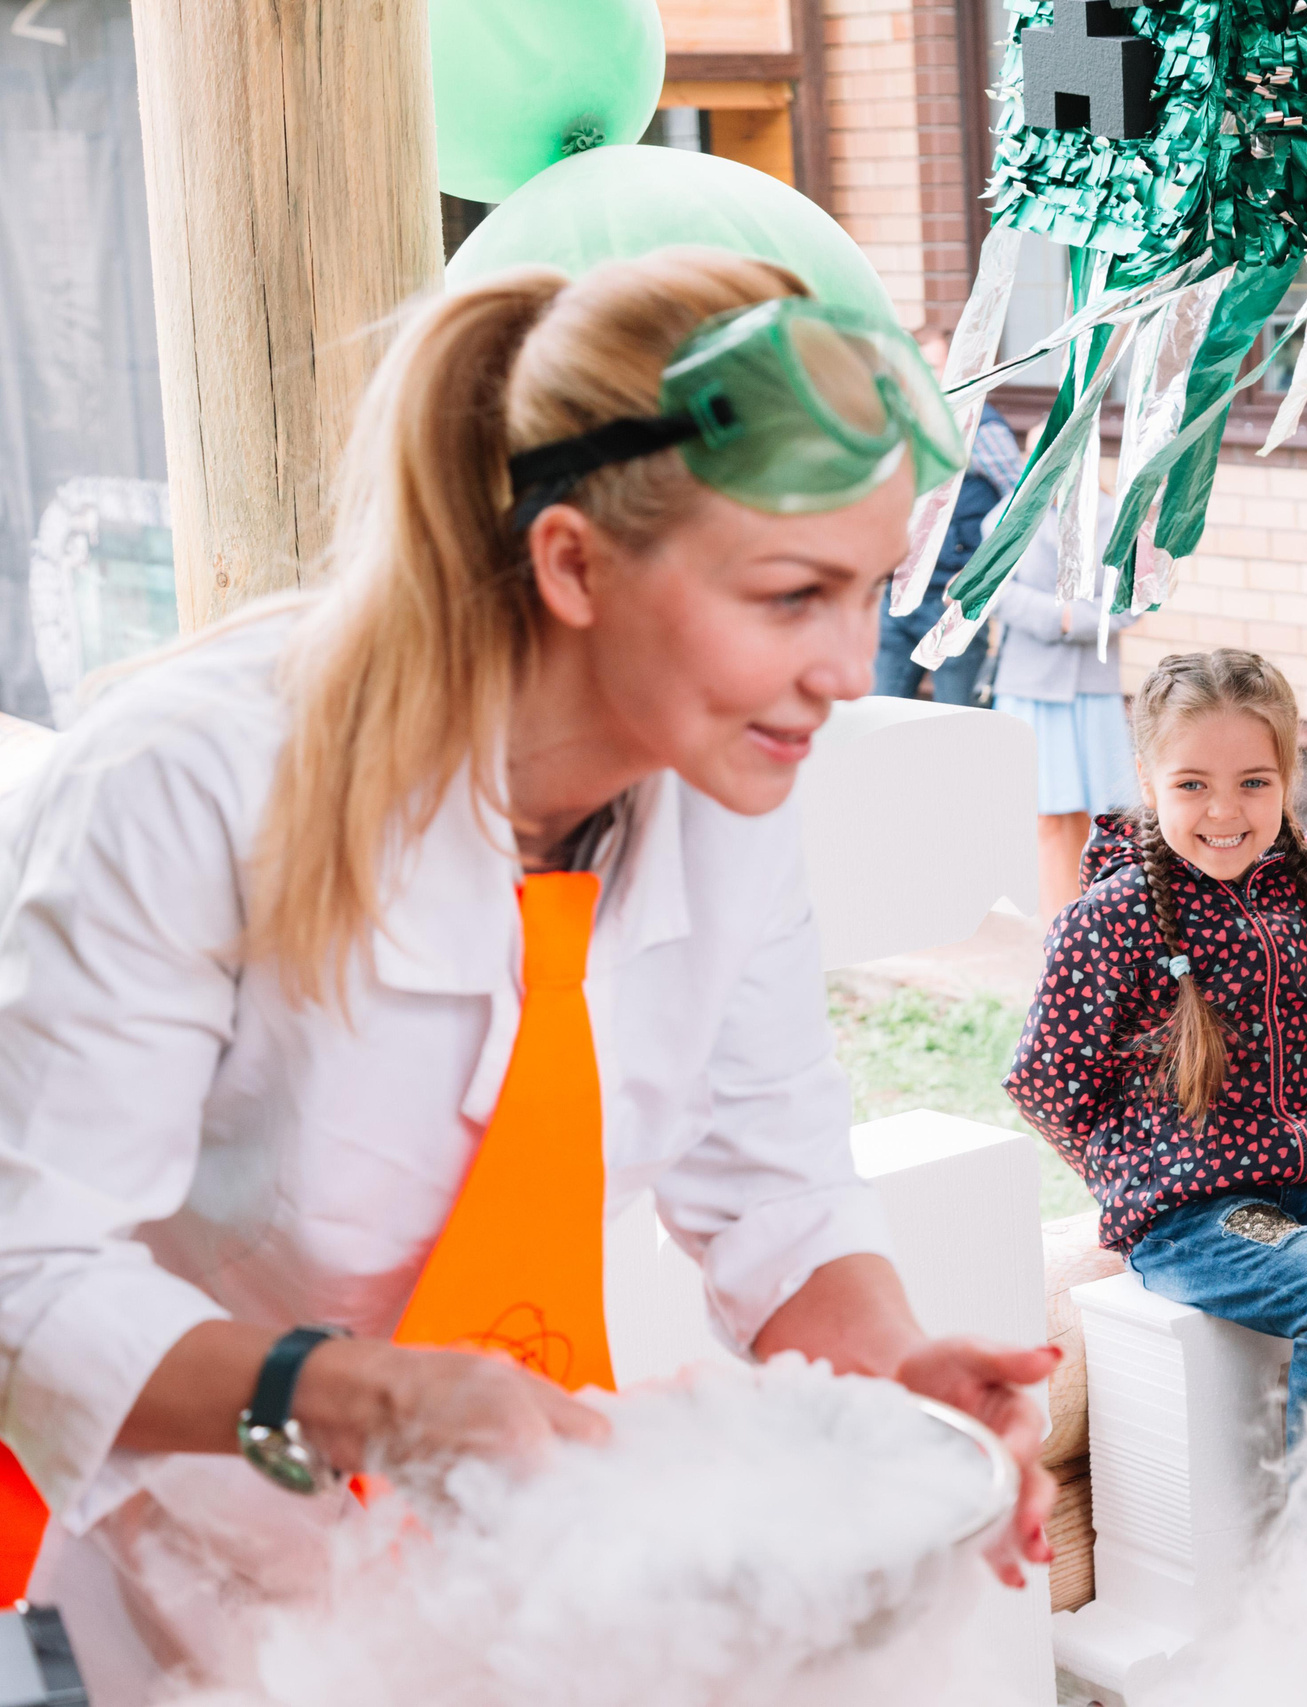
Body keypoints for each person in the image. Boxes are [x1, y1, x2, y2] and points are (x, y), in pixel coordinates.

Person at [0, 249, 1059, 1700]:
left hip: (507, 1611)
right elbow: (27, 1279)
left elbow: (778, 1187)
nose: (846, 665)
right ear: (572, 562)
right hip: (163, 1603)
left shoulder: (722, 799)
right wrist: (369, 1398)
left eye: (868, 591)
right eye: (792, 594)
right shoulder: (189, 789)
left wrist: (891, 1371)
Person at [1001, 648, 1307, 1448]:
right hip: (1196, 1213)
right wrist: (1132, 1177)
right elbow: (1045, 1079)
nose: (1226, 808)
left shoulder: (1306, 894)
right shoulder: (1111, 919)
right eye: (1193, 784)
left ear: (1287, 780)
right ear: (1151, 785)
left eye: (1254, 780)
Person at [989, 497, 1145, 915]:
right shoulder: (1013, 514)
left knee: (1096, 819)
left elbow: (1134, 600)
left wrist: (1075, 621)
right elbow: (990, 584)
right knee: (1044, 817)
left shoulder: (1117, 517)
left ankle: (1096, 923)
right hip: (1029, 685)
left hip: (1091, 689)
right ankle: (1059, 931)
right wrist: (1053, 616)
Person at [872, 413, 1022, 705]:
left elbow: (1019, 506)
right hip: (899, 596)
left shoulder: (983, 428)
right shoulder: (898, 417)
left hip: (953, 602)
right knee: (878, 708)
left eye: (934, 364)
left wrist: (980, 574)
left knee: (957, 716)